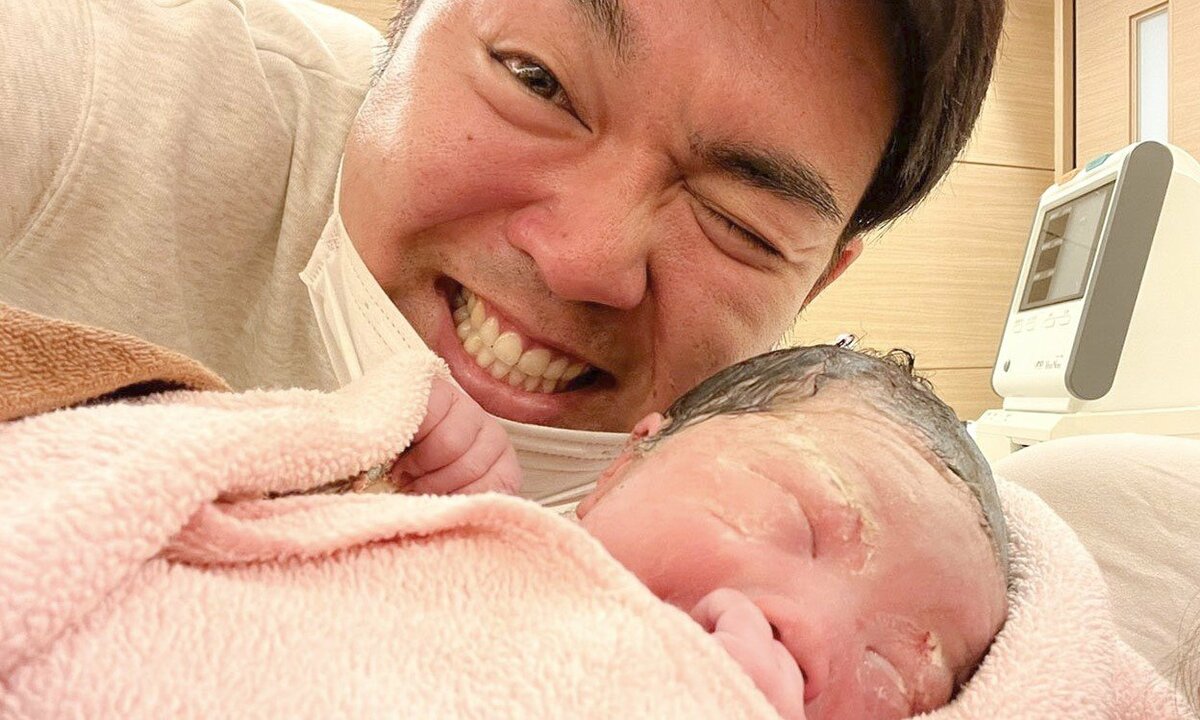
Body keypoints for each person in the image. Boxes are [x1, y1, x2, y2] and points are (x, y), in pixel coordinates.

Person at [0, 0, 1005, 499]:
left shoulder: (774, 532)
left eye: (739, 222)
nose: (583, 257)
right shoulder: (117, 87)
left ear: (817, 283)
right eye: (536, 81)